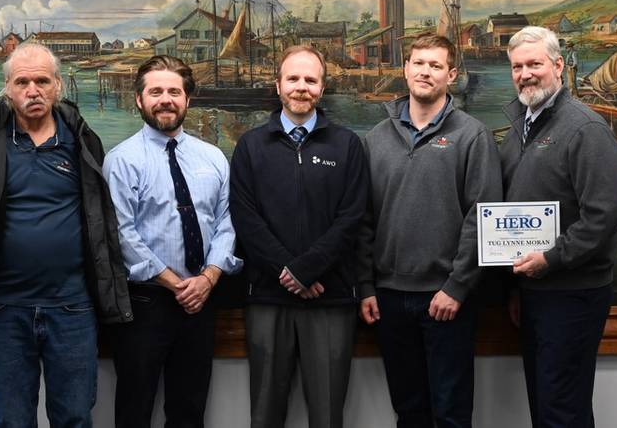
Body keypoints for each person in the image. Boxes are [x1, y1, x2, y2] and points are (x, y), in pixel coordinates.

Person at [0, 43, 132, 427]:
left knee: (75, 418)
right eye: (23, 81)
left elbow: (99, 216)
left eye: (42, 80)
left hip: (73, 308)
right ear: (8, 88)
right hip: (4, 309)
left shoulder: (81, 140)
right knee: (13, 420)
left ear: (58, 85)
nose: (33, 89)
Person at [357, 33, 502, 428]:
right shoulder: (375, 139)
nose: (425, 72)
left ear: (451, 75)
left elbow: (481, 217)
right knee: (409, 412)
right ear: (405, 69)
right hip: (388, 300)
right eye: (418, 63)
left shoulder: (473, 136)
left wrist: (457, 287)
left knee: (451, 414)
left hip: (447, 300)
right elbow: (363, 220)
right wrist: (367, 287)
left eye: (435, 65)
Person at [230, 45, 368, 428]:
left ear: (322, 88)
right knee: (265, 414)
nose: (301, 87)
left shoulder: (347, 145)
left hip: (330, 298)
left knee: (326, 415)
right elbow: (246, 218)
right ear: (278, 85)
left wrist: (308, 269)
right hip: (268, 297)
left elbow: (351, 217)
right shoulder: (251, 146)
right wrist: (290, 272)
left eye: (311, 79)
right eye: (293, 78)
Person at [103, 55, 240, 428]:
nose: (166, 99)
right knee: (135, 409)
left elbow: (227, 222)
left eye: (174, 91)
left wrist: (208, 278)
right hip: (144, 305)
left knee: (189, 410)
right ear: (139, 99)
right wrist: (174, 282)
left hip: (201, 304)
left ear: (187, 100)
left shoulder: (213, 158)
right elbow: (121, 232)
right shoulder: (122, 160)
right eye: (156, 91)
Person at [501, 26, 617, 428]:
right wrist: (520, 284)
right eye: (518, 67)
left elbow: (606, 213)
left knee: (561, 410)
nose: (526, 74)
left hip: (573, 294)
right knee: (547, 404)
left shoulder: (584, 129)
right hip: (536, 290)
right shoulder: (521, 124)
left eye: (535, 64)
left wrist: (551, 259)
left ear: (558, 65)